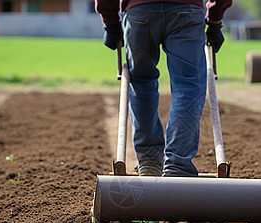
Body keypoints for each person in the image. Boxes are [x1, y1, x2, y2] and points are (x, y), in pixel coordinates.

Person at [96, 0, 232, 176]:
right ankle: (178, 166)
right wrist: (215, 19)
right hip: (186, 10)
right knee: (188, 85)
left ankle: (150, 161)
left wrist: (110, 21)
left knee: (141, 82)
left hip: (139, 11)